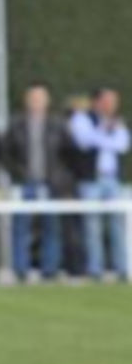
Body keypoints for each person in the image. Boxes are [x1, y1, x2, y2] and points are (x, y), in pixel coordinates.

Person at [3, 83, 74, 281]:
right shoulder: (16, 124)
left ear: (47, 101)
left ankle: (49, 269)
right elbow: (6, 154)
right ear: (27, 101)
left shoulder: (58, 124)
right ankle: (21, 269)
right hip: (25, 182)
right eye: (33, 98)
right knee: (21, 227)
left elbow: (69, 154)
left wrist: (62, 177)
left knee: (51, 227)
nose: (36, 102)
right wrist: (16, 174)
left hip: (51, 182)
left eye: (40, 98)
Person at [69, 87, 130, 280]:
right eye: (107, 101)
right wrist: (105, 134)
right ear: (96, 102)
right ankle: (95, 269)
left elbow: (123, 145)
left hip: (112, 178)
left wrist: (102, 138)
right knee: (92, 226)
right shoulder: (82, 119)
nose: (111, 106)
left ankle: (122, 267)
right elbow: (84, 141)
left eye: (113, 101)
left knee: (117, 225)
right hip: (91, 180)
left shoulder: (118, 122)